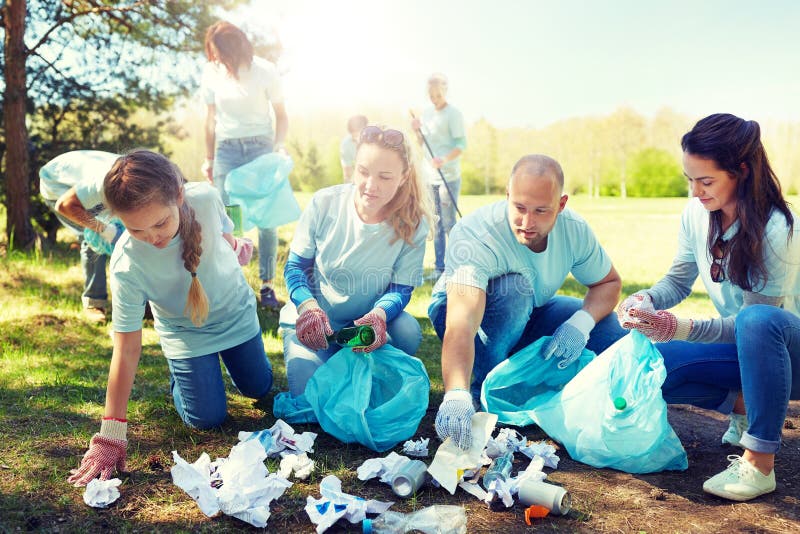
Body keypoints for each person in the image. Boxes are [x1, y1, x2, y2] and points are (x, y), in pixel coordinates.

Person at [618, 113, 799, 502]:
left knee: (756, 319)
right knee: (653, 370)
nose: (696, 192)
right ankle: (748, 404)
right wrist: (646, 299)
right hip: (747, 353)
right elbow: (678, 281)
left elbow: (754, 326)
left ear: (742, 172)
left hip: (788, 355)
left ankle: (759, 462)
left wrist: (679, 328)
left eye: (706, 180)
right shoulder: (695, 215)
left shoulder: (778, 228)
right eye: (690, 180)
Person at [68, 150, 272, 486]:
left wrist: (236, 246)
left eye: (160, 223)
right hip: (185, 333)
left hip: (235, 315)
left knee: (259, 388)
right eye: (136, 229)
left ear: (178, 196)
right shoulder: (126, 263)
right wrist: (110, 433)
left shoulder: (205, 198)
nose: (153, 237)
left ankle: (221, 370)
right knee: (206, 419)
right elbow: (127, 349)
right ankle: (181, 375)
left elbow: (224, 233)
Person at [429, 154, 627, 449]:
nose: (527, 222)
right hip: (461, 309)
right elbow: (462, 322)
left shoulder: (574, 229)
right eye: (519, 207)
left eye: (541, 211)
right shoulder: (476, 234)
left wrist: (580, 324)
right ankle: (484, 392)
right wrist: (455, 393)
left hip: (530, 308)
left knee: (609, 330)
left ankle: (544, 385)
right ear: (507, 195)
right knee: (514, 290)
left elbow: (608, 283)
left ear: (561, 205)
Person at [280, 125, 432, 397]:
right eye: (363, 172)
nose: (371, 186)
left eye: (385, 177)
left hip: (363, 330)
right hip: (315, 323)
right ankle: (342, 365)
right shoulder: (325, 203)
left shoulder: (414, 223)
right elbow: (295, 268)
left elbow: (401, 288)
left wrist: (378, 315)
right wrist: (308, 306)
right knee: (312, 400)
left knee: (407, 330)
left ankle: (363, 366)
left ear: (403, 176)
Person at [201, 20, 289, 309]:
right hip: (226, 149)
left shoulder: (264, 70)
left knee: (267, 221)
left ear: (233, 47)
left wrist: (278, 148)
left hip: (260, 147)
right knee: (227, 218)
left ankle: (266, 287)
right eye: (212, 53)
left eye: (219, 52)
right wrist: (209, 158)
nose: (215, 58)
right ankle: (233, 285)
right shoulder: (212, 72)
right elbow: (210, 120)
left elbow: (281, 115)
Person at [39, 150, 123, 323]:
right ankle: (94, 302)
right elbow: (66, 205)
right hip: (56, 184)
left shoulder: (143, 182)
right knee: (93, 238)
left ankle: (142, 303)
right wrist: (104, 230)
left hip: (84, 179)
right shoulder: (107, 183)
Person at [411, 73, 466, 280]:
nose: (434, 98)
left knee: (449, 222)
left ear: (445, 90)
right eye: (431, 95)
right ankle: (439, 268)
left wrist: (443, 159)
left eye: (438, 94)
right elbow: (421, 143)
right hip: (429, 176)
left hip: (448, 176)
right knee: (435, 222)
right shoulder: (425, 114)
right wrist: (416, 131)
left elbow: (461, 145)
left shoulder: (454, 114)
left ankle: (459, 265)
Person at [340, 114, 368, 182]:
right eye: (354, 136)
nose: (357, 140)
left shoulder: (375, 140)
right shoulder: (346, 144)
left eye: (359, 135)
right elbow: (347, 170)